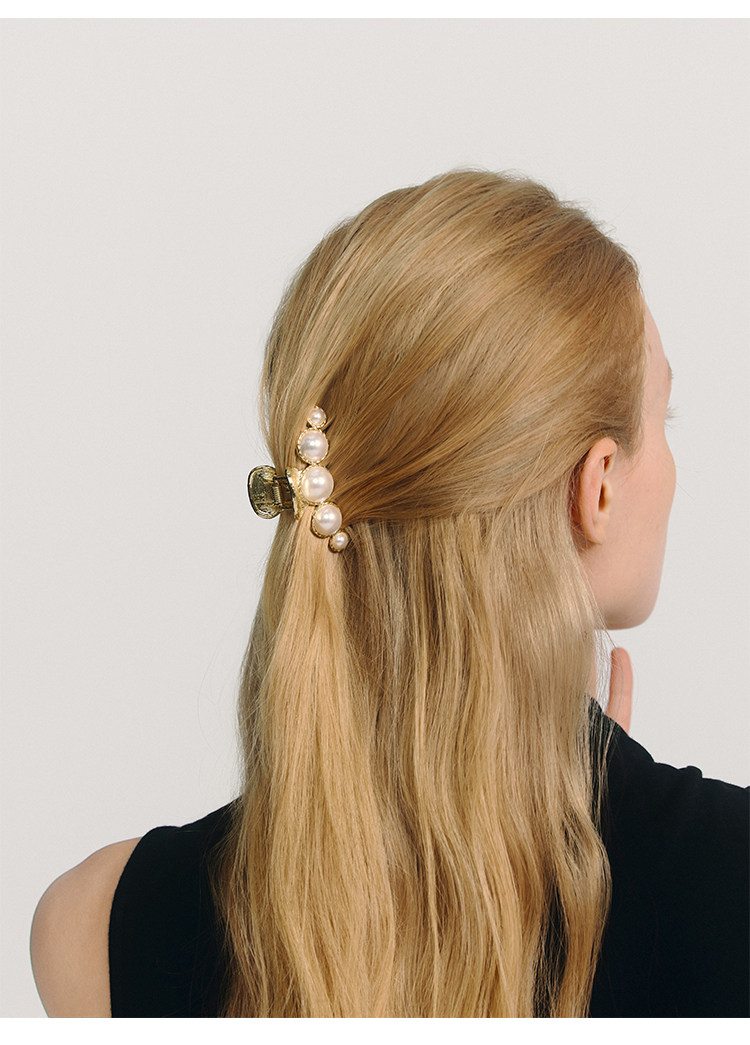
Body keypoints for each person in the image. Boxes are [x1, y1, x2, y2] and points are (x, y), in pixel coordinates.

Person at [30, 170, 748, 1018]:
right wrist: (630, 822)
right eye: (664, 417)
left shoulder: (92, 926)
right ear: (595, 486)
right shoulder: (725, 882)